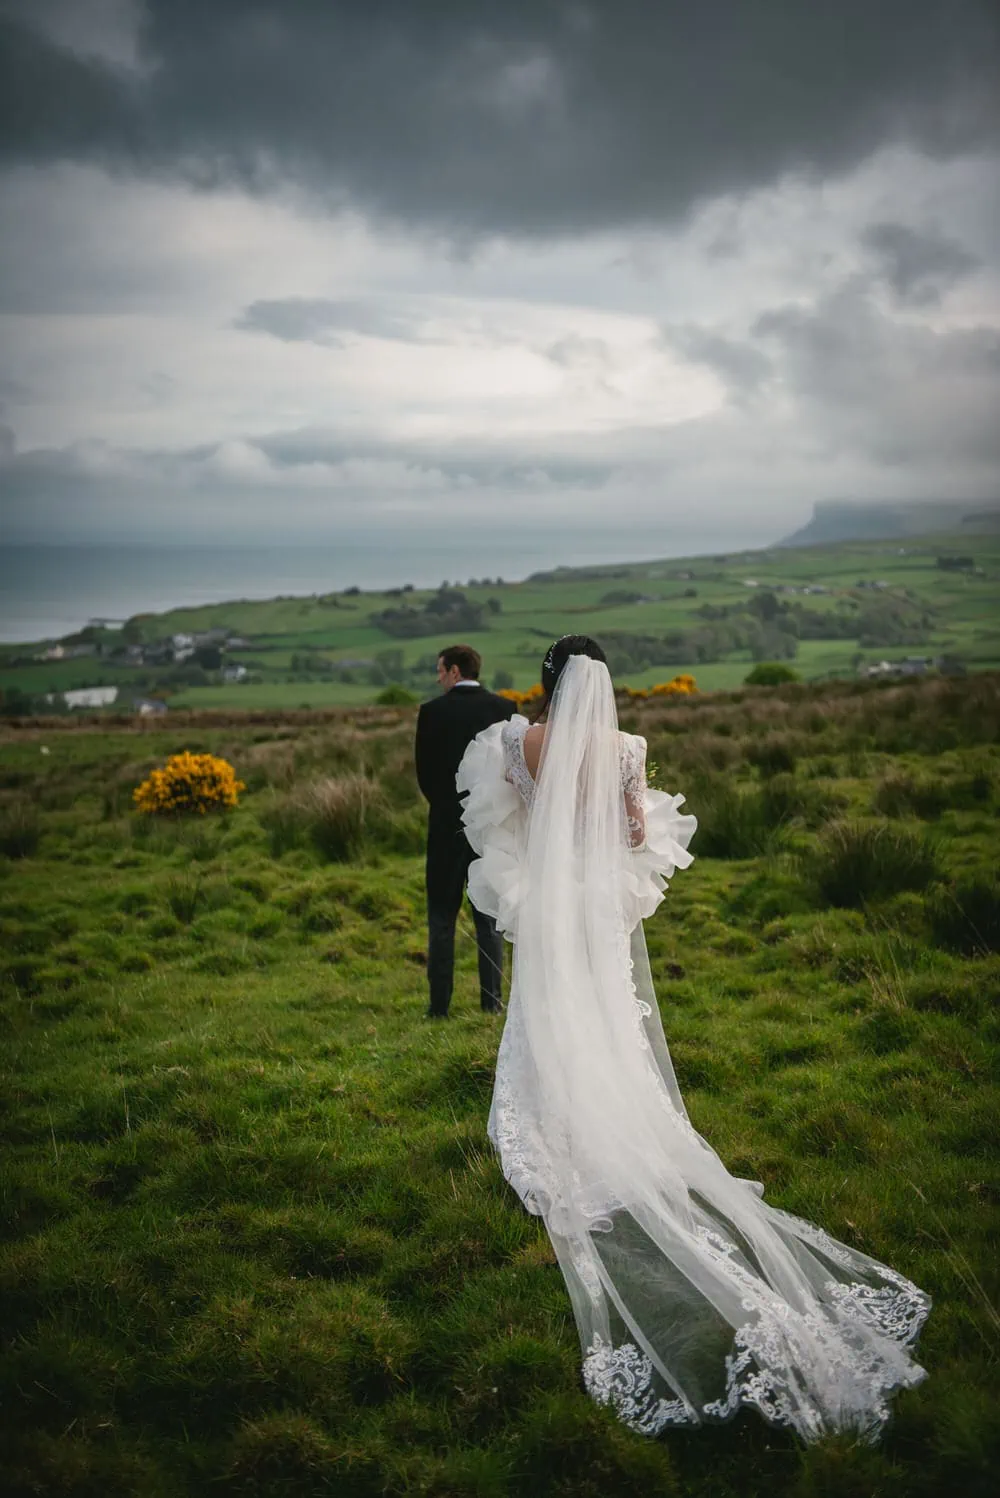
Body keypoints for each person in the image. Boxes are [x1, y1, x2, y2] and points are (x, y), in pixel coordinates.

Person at [455, 634, 929, 1442]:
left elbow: (494, 819)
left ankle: (553, 1120)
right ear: (605, 685)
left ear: (544, 681)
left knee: (545, 1009)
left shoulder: (510, 740)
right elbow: (636, 837)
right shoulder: (627, 746)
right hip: (598, 904)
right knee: (609, 1009)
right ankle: (618, 1115)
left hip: (544, 901)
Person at [415, 643, 516, 1019]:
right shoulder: (503, 710)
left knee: (441, 918)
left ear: (455, 671)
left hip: (444, 828)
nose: (438, 678)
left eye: (441, 671)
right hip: (488, 829)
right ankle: (492, 1005)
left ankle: (438, 1008)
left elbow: (424, 775)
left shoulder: (431, 712)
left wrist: (446, 809)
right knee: (487, 918)